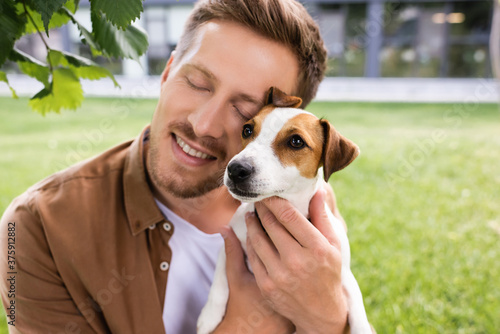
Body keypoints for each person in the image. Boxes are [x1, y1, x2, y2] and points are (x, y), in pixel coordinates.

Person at [0, 0, 363, 333]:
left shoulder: (314, 211)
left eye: (246, 110)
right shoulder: (34, 227)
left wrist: (328, 316)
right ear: (167, 71)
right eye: (197, 82)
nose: (204, 124)